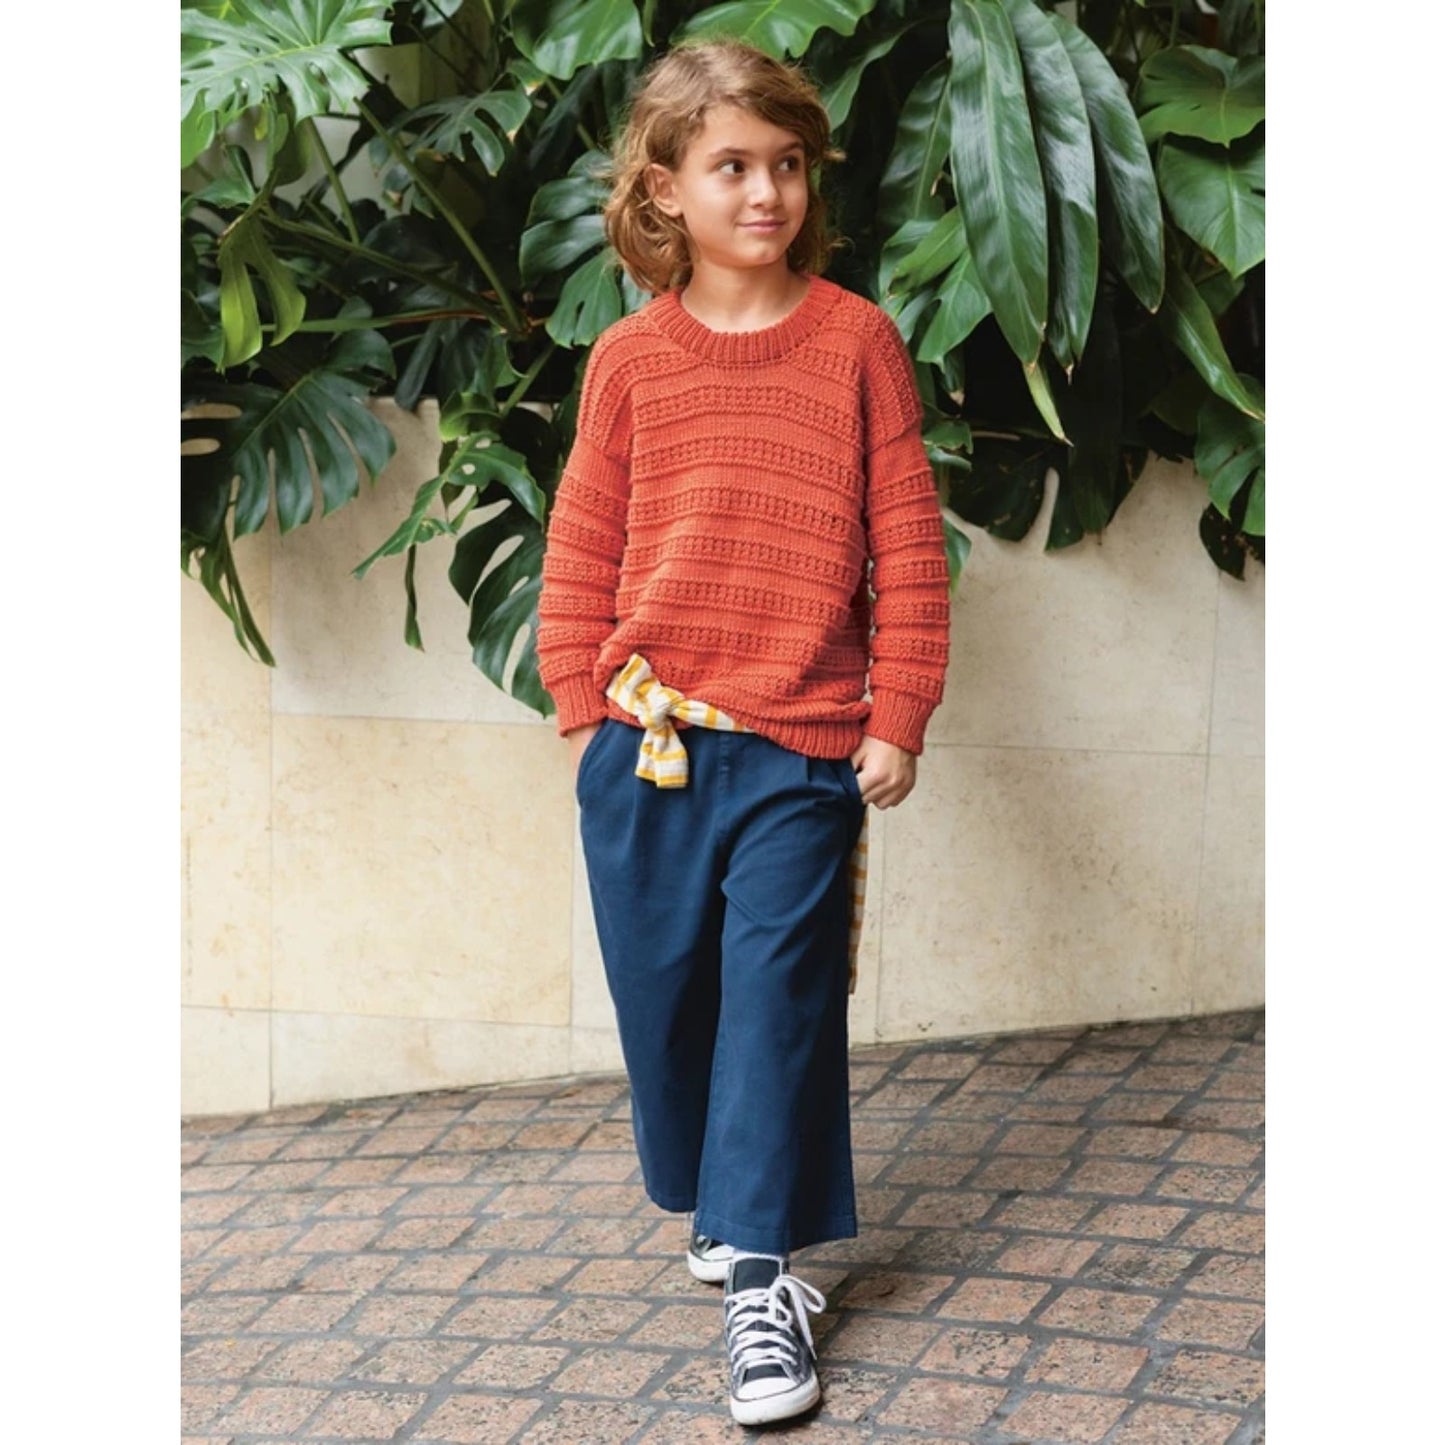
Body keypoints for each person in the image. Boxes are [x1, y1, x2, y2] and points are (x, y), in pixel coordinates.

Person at [535, 37, 951, 1427]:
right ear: (666, 186)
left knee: (777, 1000)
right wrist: (579, 709)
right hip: (646, 743)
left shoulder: (855, 342)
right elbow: (582, 542)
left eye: (786, 165)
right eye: (731, 166)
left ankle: (762, 1283)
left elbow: (907, 543)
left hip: (800, 749)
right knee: (669, 1008)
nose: (765, 192)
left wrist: (897, 710)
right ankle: (724, 1202)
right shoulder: (627, 360)